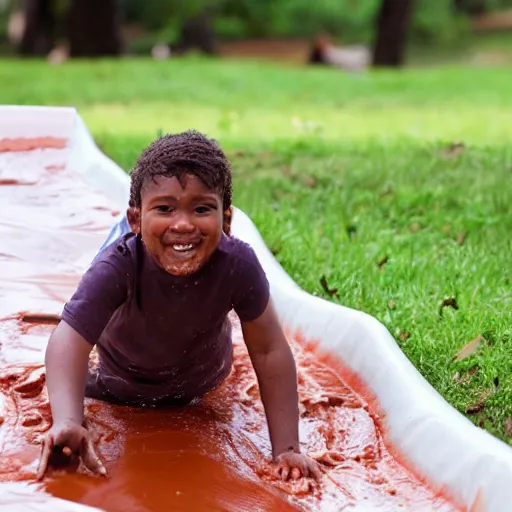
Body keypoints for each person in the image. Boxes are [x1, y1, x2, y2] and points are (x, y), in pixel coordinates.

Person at [37, 130, 320, 482]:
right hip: (118, 384)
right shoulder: (119, 266)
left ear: (226, 221)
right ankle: (118, 246)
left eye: (201, 209)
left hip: (201, 387)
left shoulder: (237, 265)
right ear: (136, 219)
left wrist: (287, 448)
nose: (183, 224)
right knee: (98, 289)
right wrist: (68, 419)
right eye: (165, 208)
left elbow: (269, 349)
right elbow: (68, 341)